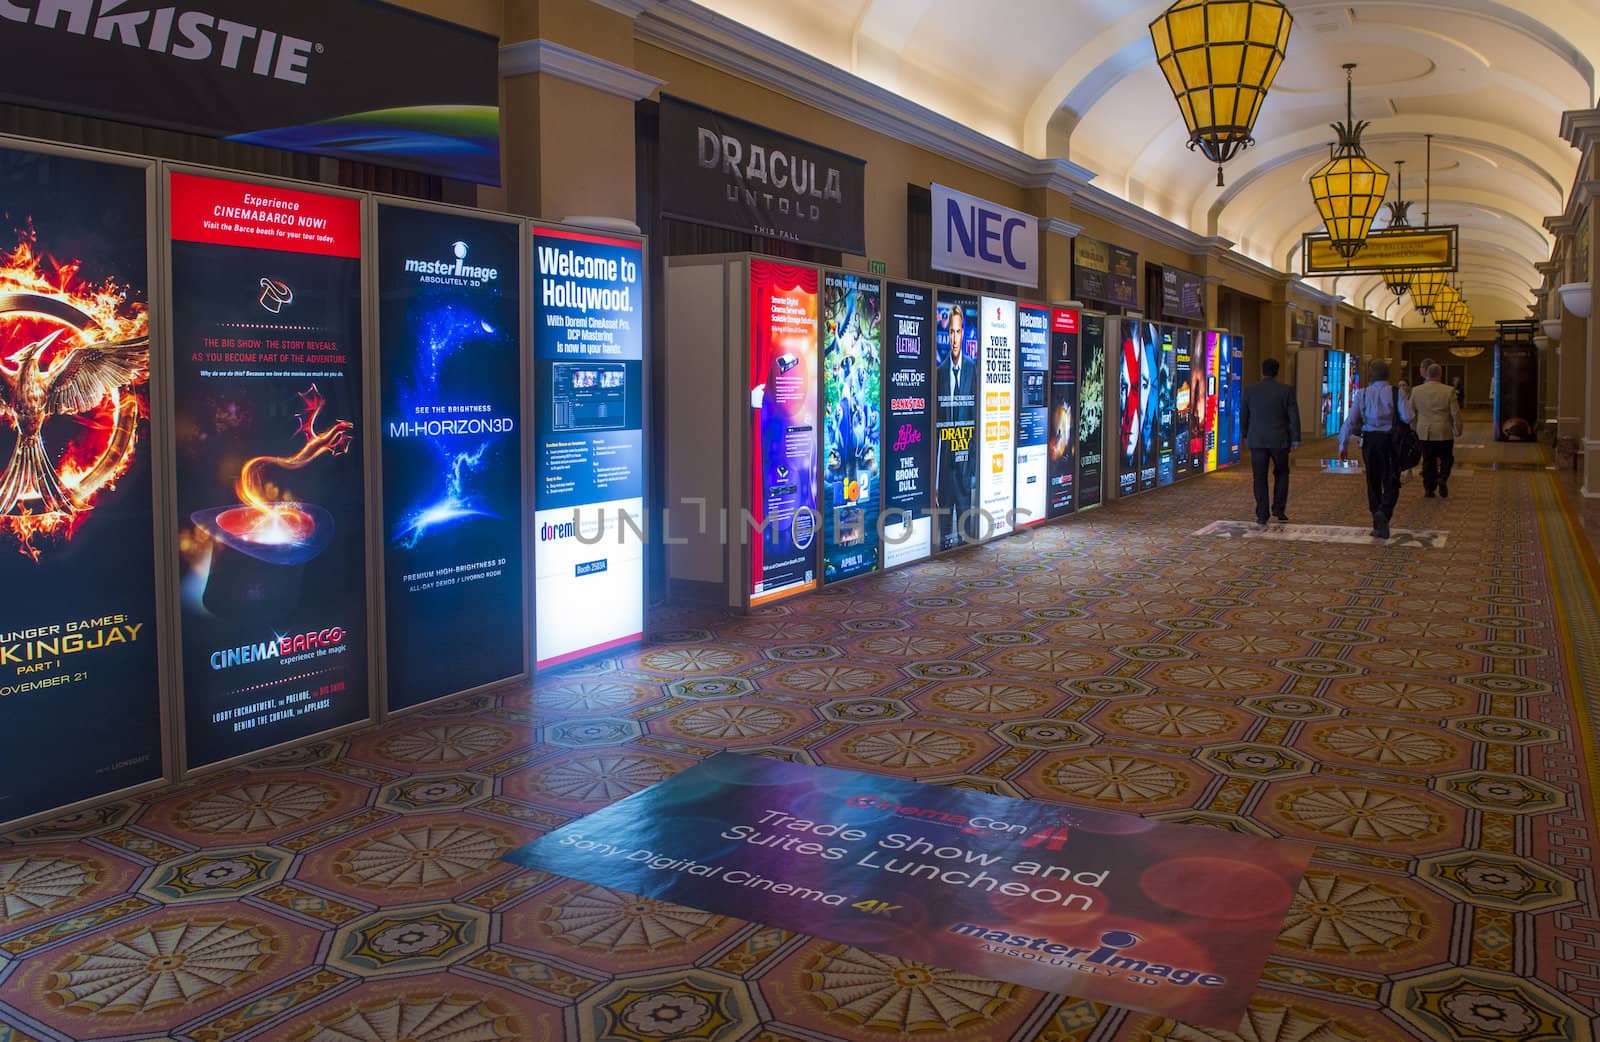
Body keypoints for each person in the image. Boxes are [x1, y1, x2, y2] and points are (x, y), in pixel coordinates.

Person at [1339, 359, 1415, 539]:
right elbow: (1408, 416)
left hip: (1369, 441)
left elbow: (1351, 421)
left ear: (1371, 375)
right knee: (1392, 480)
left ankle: (1376, 520)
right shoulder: (1397, 392)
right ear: (1388, 375)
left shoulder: (1362, 393)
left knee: (1372, 481)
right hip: (1390, 441)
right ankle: (1384, 512)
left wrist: (1343, 444)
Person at [1240, 358, 1300, 526]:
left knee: (1259, 477)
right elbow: (1293, 416)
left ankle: (1262, 513)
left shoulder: (1250, 390)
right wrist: (1295, 438)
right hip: (1280, 440)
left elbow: (1244, 415)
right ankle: (1279, 509)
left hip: (1257, 440)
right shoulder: (1286, 390)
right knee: (1282, 474)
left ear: (1262, 371)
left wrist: (1246, 435)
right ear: (1277, 372)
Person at [1411, 362, 1462, 498]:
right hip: (1443, 430)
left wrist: (1415, 427)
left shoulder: (1417, 390)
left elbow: (1410, 412)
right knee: (1447, 458)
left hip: (1424, 431)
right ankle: (1443, 477)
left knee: (1428, 460)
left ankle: (1429, 489)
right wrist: (1458, 429)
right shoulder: (1448, 390)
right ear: (1440, 374)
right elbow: (1455, 413)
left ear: (1427, 374)